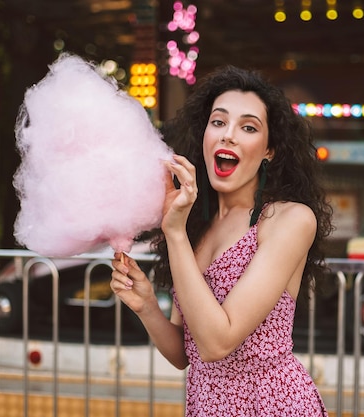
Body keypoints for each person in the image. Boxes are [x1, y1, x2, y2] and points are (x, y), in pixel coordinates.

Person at [110, 65, 333, 416]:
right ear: (204, 135)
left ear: (269, 149)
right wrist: (147, 307)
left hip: (271, 406)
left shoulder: (289, 220)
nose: (228, 135)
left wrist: (174, 233)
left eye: (248, 127)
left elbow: (217, 343)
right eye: (219, 122)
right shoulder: (197, 226)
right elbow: (189, 354)